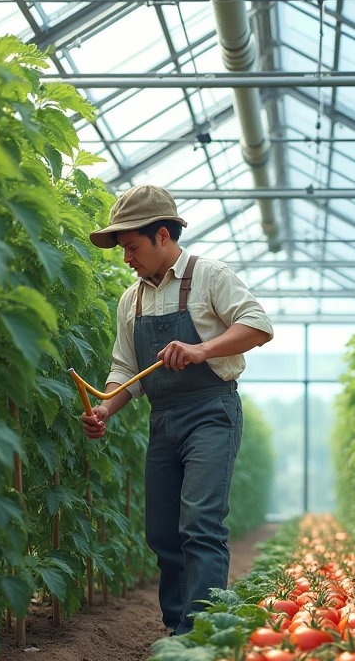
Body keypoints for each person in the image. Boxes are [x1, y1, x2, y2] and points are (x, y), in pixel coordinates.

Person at [83, 184, 274, 635]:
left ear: (163, 235)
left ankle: (201, 631)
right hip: (163, 417)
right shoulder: (132, 300)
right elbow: (125, 369)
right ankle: (177, 627)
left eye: (132, 247)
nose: (126, 258)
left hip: (211, 411)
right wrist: (106, 410)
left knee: (200, 523)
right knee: (163, 532)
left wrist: (201, 349)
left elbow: (258, 325)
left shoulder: (209, 275)